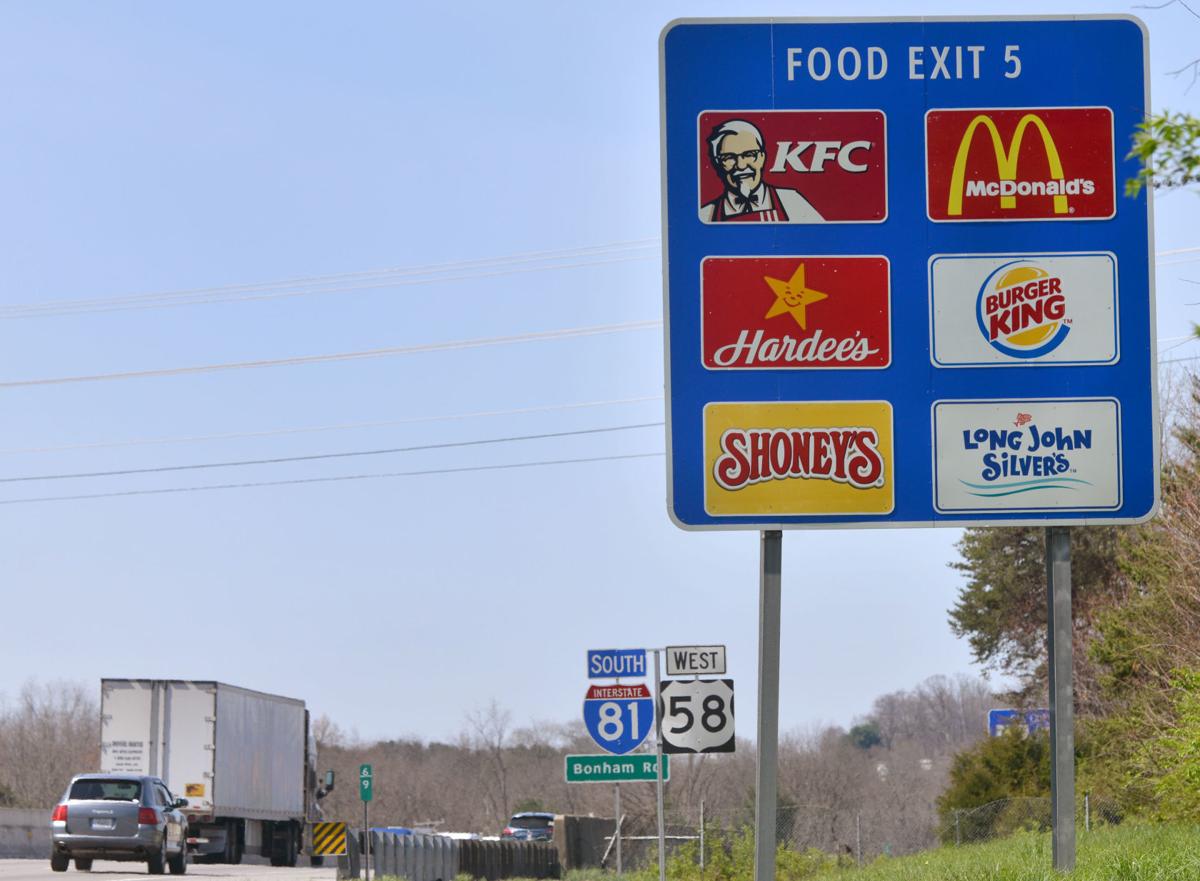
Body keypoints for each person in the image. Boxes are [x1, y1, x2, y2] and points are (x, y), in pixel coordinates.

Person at [699, 119, 823, 223]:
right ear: (717, 163)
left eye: (749, 154)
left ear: (762, 158)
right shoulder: (706, 214)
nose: (741, 166)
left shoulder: (790, 200)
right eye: (729, 157)